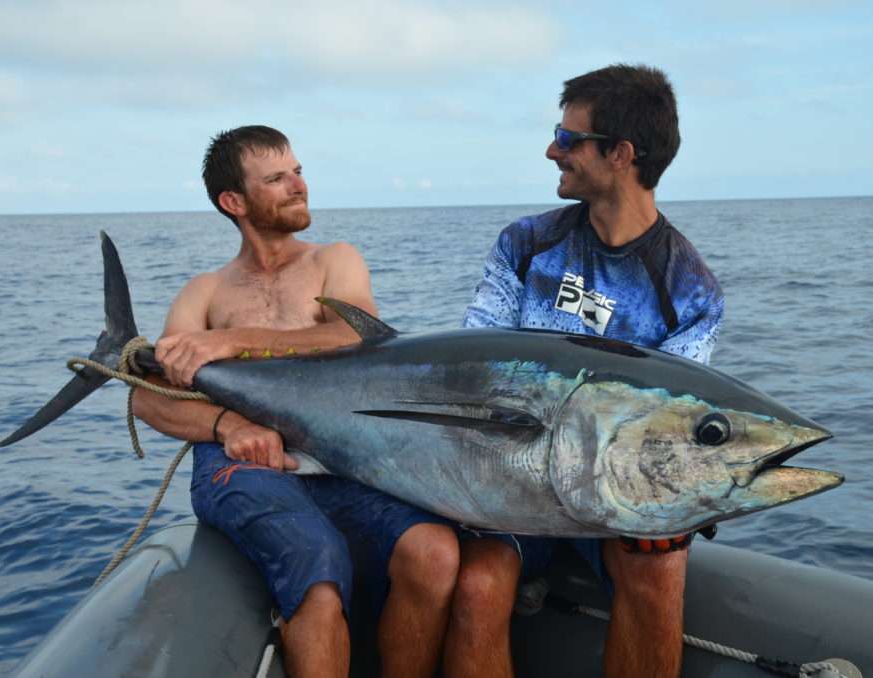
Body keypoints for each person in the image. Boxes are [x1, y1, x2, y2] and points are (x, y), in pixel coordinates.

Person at [131, 125, 459, 678]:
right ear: (234, 202)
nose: (298, 186)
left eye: (299, 172)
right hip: (239, 463)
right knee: (317, 563)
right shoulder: (204, 292)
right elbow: (150, 400)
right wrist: (227, 425)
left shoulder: (334, 261)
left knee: (435, 553)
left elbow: (355, 337)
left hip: (340, 452)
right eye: (277, 178)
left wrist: (232, 341)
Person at [444, 64, 724, 677]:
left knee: (659, 570)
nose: (553, 150)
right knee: (479, 586)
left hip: (611, 497)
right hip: (511, 480)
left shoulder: (690, 290)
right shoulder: (525, 244)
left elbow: (665, 430)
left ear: (621, 154)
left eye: (568, 139)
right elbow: (474, 359)